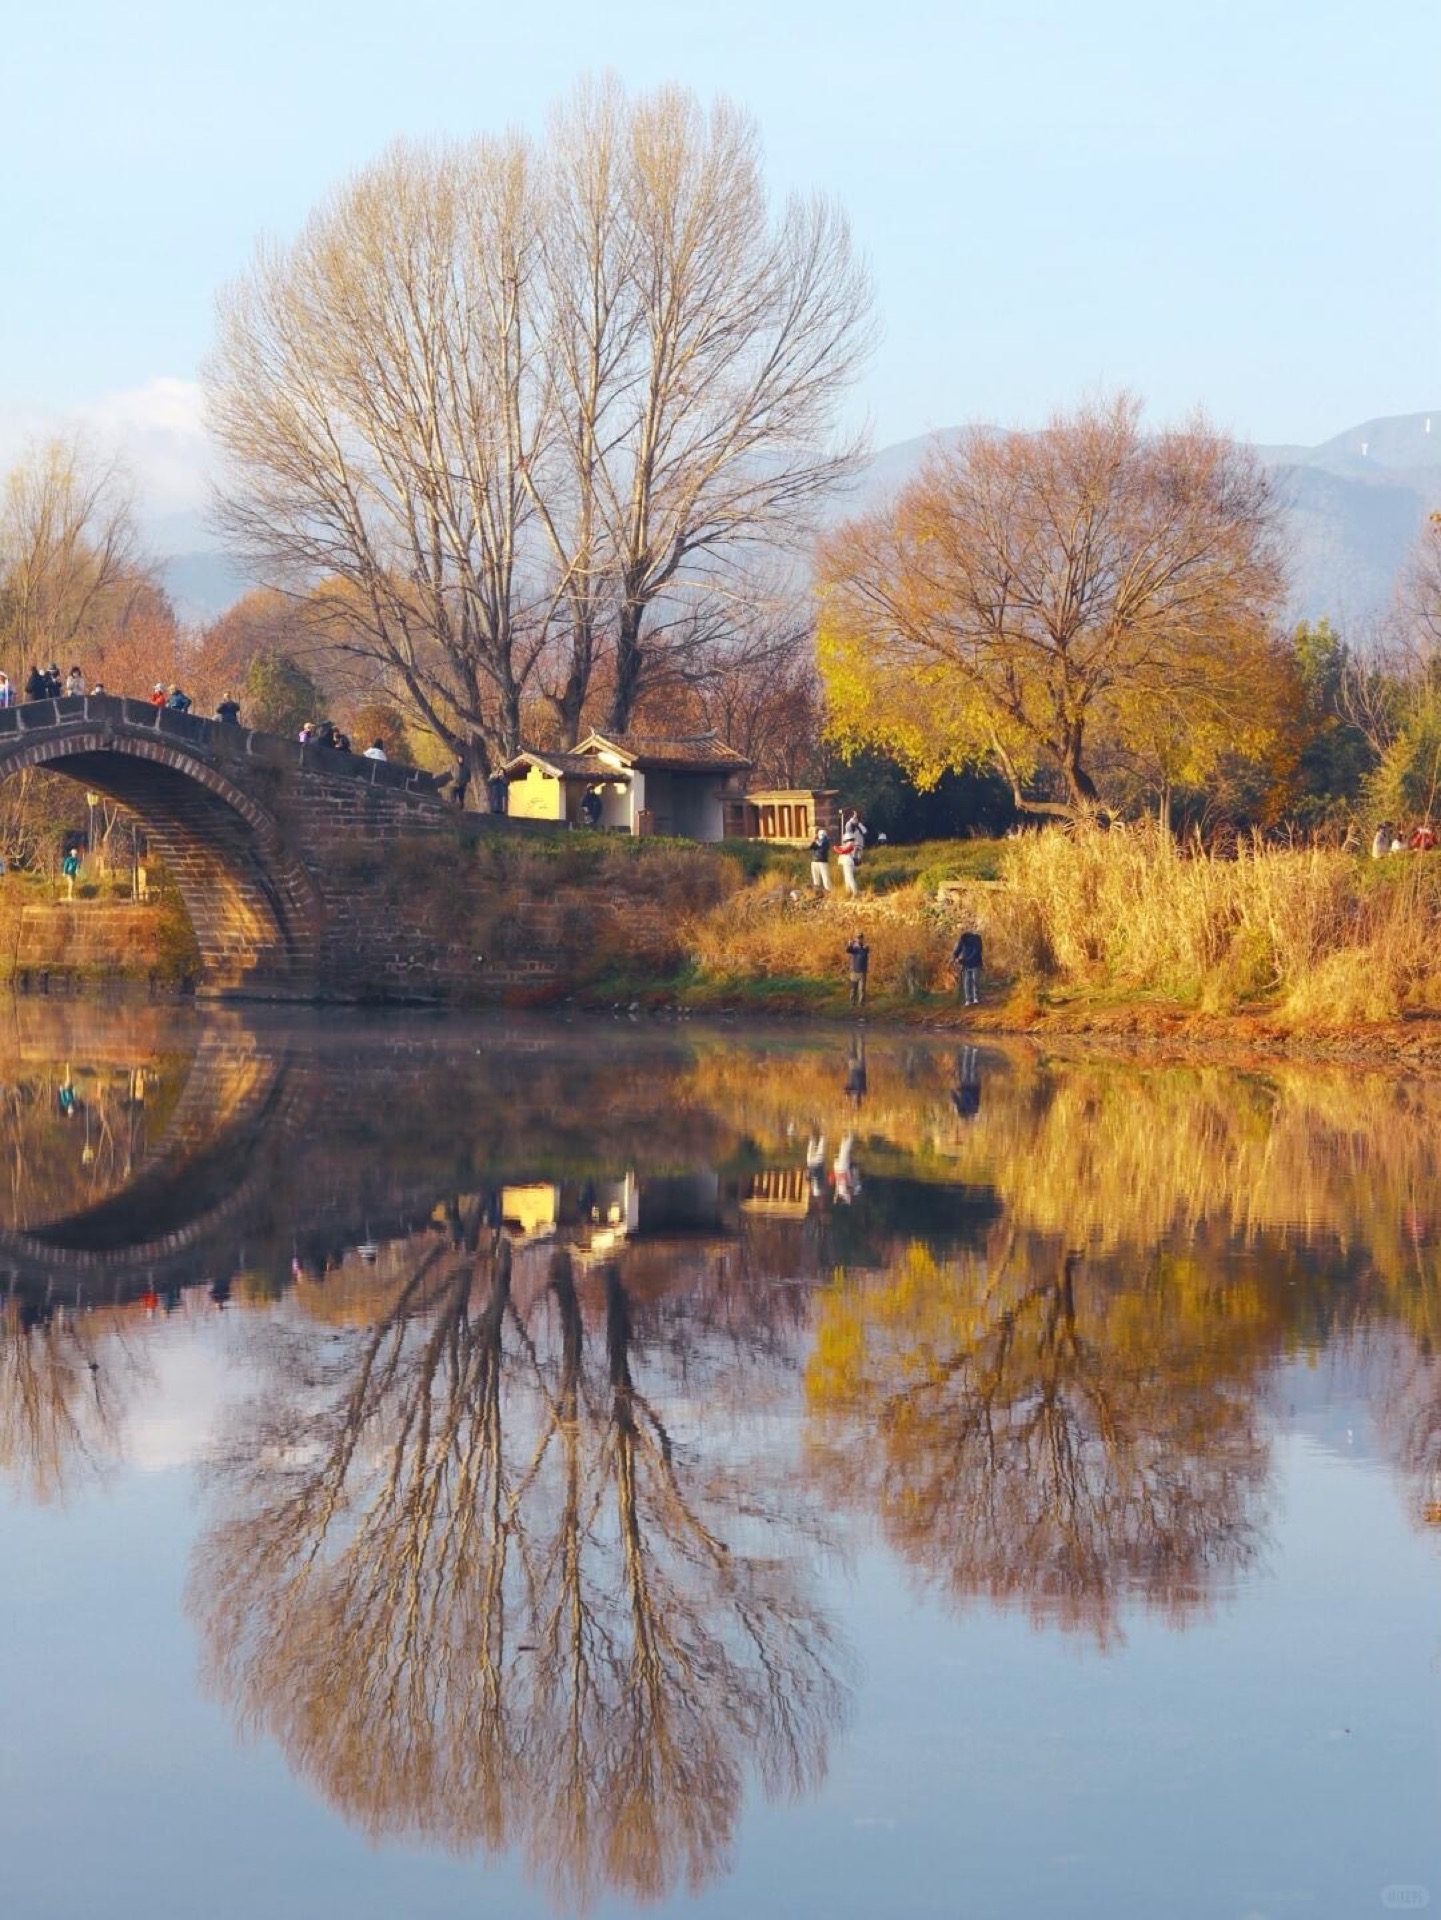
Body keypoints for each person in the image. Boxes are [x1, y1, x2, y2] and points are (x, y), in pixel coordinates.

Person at [953, 927, 983, 1005]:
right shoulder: (962, 939)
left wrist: (964, 960)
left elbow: (977, 951)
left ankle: (976, 998)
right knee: (967, 981)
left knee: (975, 980)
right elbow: (958, 949)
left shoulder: (976, 938)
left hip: (975, 963)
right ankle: (968, 999)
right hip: (966, 965)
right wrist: (955, 957)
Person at [845, 931, 870, 1008]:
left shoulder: (865, 947)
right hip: (854, 972)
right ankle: (852, 1004)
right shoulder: (854, 948)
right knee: (853, 989)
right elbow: (847, 950)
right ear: (856, 939)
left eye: (860, 938)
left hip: (862, 972)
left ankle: (861, 1004)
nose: (859, 939)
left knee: (862, 989)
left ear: (863, 938)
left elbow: (867, 950)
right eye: (858, 938)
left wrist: (863, 946)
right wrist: (850, 944)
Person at [837, 822, 860, 895]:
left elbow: (843, 850)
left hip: (848, 861)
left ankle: (855, 892)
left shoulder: (850, 844)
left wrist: (837, 848)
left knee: (850, 878)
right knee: (847, 878)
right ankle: (848, 891)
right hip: (846, 862)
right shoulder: (850, 844)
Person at [808, 824, 832, 892]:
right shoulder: (817, 841)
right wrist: (813, 840)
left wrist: (816, 840)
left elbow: (822, 847)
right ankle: (817, 891)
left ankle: (829, 891)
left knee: (825, 878)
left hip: (822, 861)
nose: (821, 836)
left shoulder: (826, 841)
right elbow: (810, 847)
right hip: (814, 861)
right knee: (815, 878)